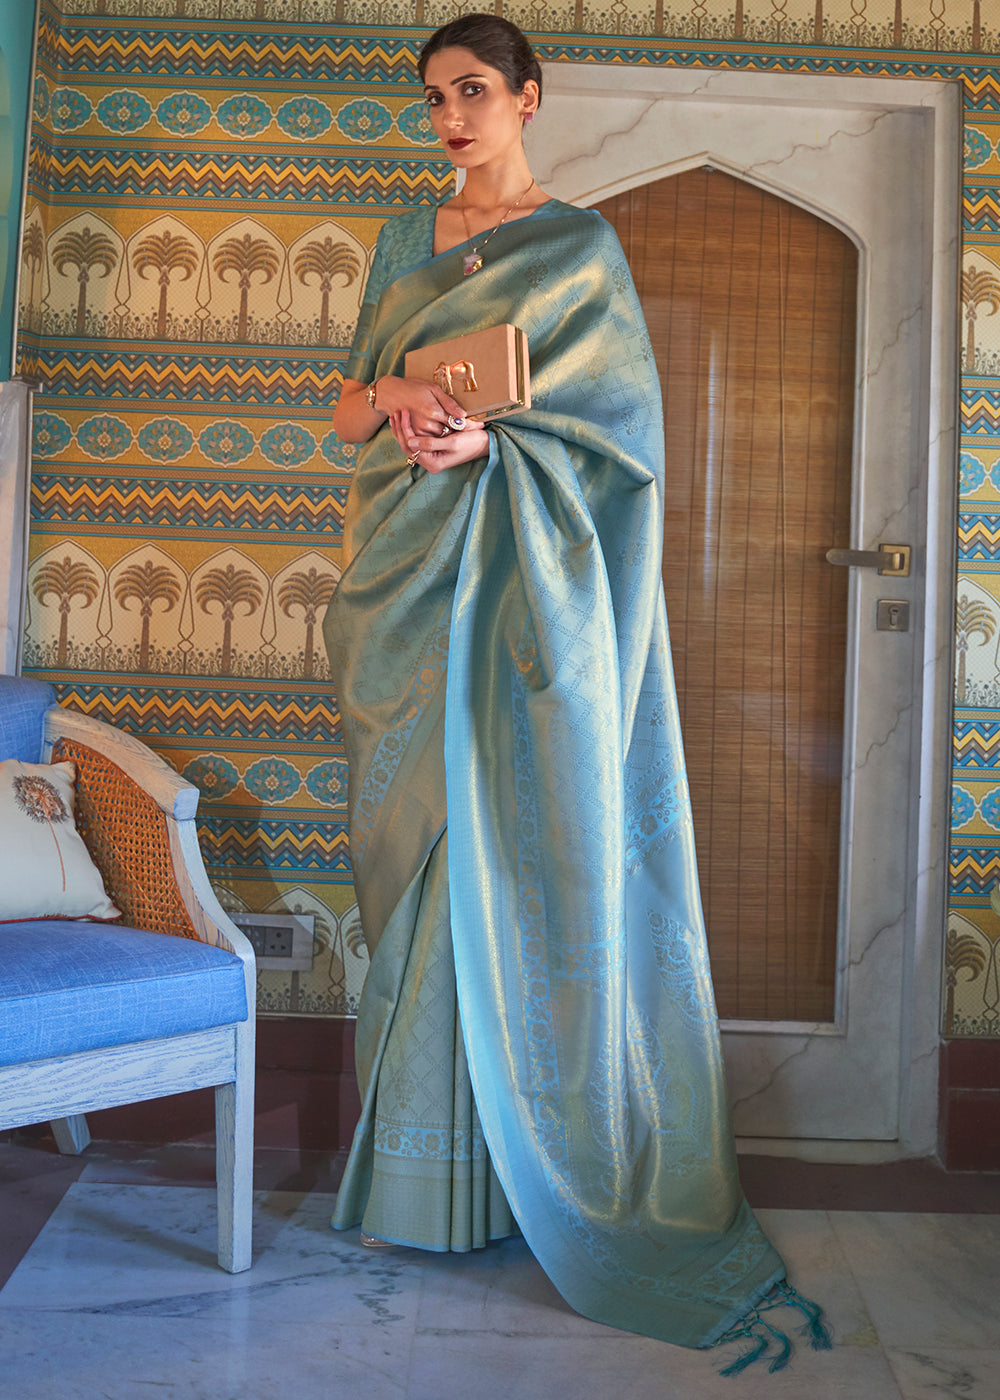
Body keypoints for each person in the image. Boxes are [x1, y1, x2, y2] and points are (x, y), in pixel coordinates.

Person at [323, 14, 830, 1373]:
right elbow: (346, 414)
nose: (450, 117)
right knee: (422, 860)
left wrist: (493, 446)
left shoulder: (580, 248)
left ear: (530, 97)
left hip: (524, 605)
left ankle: (531, 1179)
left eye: (473, 91)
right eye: (434, 97)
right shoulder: (401, 239)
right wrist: (401, 397)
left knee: (514, 857)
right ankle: (422, 1186)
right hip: (407, 592)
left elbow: (619, 446)